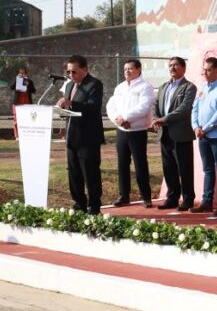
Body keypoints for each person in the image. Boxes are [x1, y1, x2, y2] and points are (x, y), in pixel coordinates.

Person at [56, 55, 105, 215]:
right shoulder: (69, 85)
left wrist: (72, 104)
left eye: (74, 72)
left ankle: (94, 206)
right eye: (68, 72)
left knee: (90, 173)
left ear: (85, 69)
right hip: (72, 136)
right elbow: (69, 110)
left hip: (88, 138)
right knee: (73, 173)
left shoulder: (94, 84)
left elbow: (93, 107)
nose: (71, 75)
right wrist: (61, 108)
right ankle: (79, 203)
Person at [106, 59, 155, 208]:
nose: (127, 71)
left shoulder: (145, 87)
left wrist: (126, 118)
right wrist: (118, 120)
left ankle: (146, 197)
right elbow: (111, 105)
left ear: (138, 70)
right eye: (125, 69)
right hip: (121, 131)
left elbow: (144, 107)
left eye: (130, 69)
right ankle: (123, 196)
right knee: (122, 164)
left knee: (140, 164)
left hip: (137, 131)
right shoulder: (120, 87)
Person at [152, 56, 197, 211]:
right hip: (164, 134)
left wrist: (163, 119)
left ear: (183, 68)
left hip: (181, 135)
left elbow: (184, 109)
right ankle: (172, 198)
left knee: (184, 169)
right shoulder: (163, 86)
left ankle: (188, 199)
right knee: (168, 168)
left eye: (176, 65)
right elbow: (155, 105)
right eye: (170, 65)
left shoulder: (189, 87)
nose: (172, 68)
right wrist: (155, 118)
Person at [191, 57, 217, 214]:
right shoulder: (202, 88)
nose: (204, 73)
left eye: (208, 70)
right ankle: (206, 201)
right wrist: (195, 127)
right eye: (204, 69)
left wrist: (205, 129)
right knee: (207, 169)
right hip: (202, 136)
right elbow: (195, 109)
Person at [9, 67, 36, 140]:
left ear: (26, 74)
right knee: (16, 120)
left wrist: (28, 85)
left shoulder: (29, 81)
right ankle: (17, 136)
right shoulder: (16, 80)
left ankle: (25, 135)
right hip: (17, 103)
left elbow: (34, 90)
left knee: (26, 120)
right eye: (20, 73)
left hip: (27, 103)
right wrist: (16, 82)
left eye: (23, 73)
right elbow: (11, 87)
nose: (22, 74)